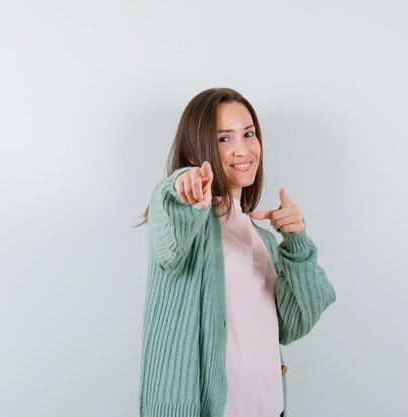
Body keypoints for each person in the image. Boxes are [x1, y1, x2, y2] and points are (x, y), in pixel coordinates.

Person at [136, 87, 336, 417]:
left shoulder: (262, 239)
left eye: (248, 134)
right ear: (193, 150)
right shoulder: (187, 219)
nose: (242, 149)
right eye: (223, 139)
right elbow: (169, 216)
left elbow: (296, 323)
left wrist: (296, 243)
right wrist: (181, 183)